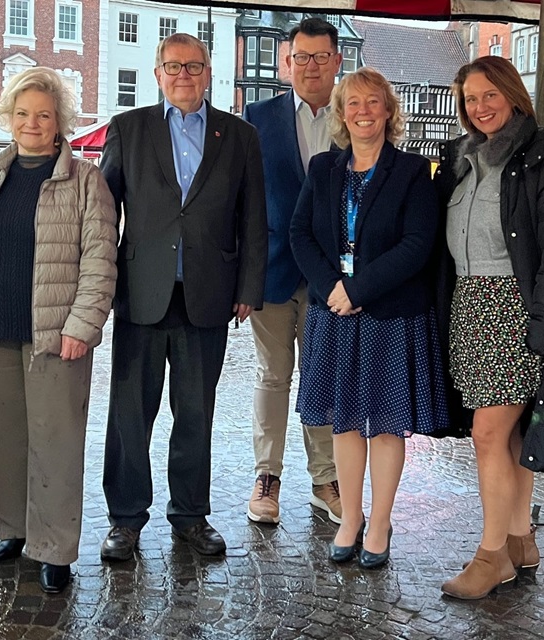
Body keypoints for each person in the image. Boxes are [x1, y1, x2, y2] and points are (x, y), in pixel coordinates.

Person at [434, 56, 544, 600]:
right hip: (471, 309)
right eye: (470, 99)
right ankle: (519, 540)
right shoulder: (464, 160)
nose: (479, 107)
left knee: (488, 434)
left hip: (515, 311)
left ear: (513, 95)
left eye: (489, 95)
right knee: (509, 435)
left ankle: (491, 557)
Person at [99, 33, 267, 561]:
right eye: (173, 67)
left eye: (193, 66)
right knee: (130, 414)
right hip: (141, 293)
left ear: (208, 73)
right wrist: (99, 286)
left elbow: (253, 217)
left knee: (195, 412)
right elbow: (102, 215)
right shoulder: (128, 129)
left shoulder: (239, 136)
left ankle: (190, 515)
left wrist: (249, 287)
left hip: (208, 294)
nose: (183, 76)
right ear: (158, 74)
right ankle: (126, 519)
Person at [0, 67, 117, 593]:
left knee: (56, 442)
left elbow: (100, 261)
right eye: (22, 114)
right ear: (9, 118)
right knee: (3, 438)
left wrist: (82, 325)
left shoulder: (85, 180)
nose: (32, 123)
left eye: (43, 115)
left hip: (56, 334)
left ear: (59, 121)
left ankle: (54, 548)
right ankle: (12, 531)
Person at [290, 68, 450, 569]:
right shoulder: (323, 168)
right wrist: (332, 289)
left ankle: (379, 523)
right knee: (343, 423)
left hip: (390, 315)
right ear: (341, 113)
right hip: (333, 312)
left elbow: (418, 244)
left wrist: (358, 290)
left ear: (388, 110)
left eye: (373, 102)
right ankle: (351, 519)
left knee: (384, 425)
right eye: (353, 103)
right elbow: (300, 235)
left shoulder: (413, 171)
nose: (363, 111)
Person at [242, 17, 342, 526]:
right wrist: (243, 276)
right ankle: (267, 477)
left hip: (332, 278)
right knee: (273, 375)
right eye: (302, 57)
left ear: (337, 61)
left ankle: (326, 479)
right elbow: (243, 202)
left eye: (321, 57)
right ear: (287, 62)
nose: (311, 67)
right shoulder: (258, 116)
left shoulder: (353, 116)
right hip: (274, 270)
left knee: (320, 377)